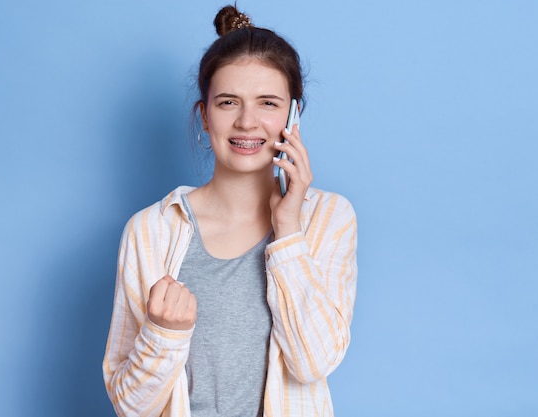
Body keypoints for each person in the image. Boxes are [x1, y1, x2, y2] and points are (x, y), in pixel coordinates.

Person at [103, 5, 357, 417]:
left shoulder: (328, 217)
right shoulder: (150, 230)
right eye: (227, 102)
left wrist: (288, 231)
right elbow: (130, 407)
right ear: (205, 116)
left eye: (268, 103)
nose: (247, 122)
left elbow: (314, 363)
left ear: (294, 115)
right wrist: (165, 334)